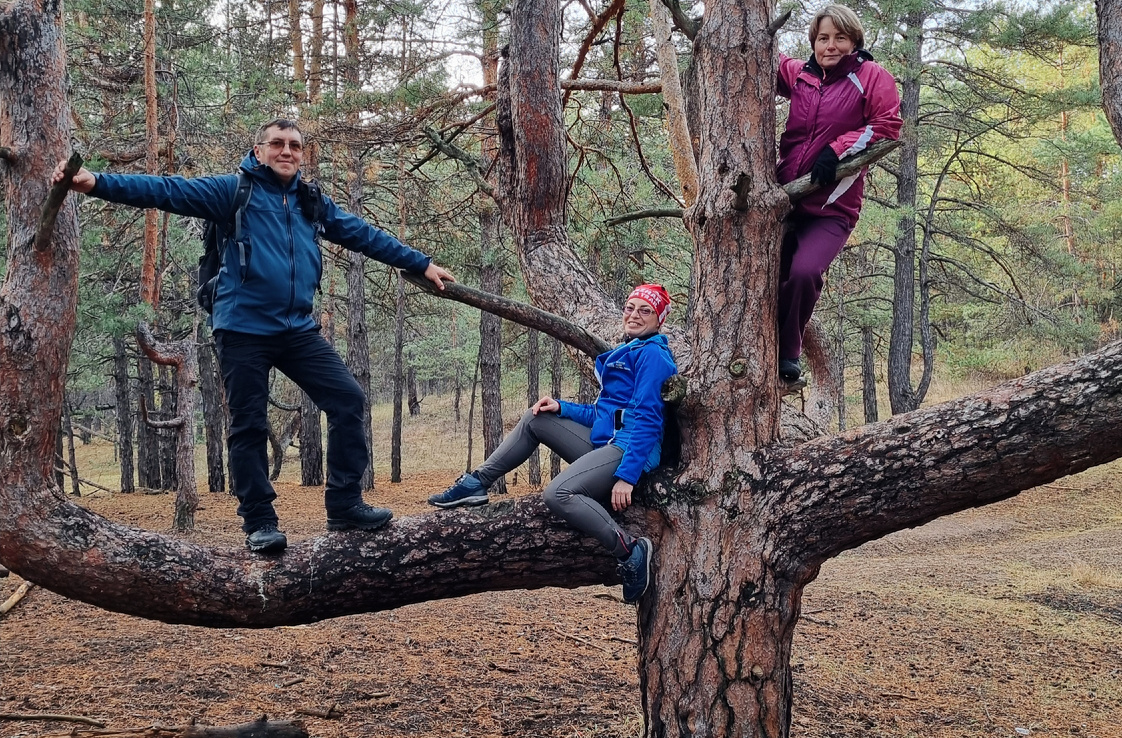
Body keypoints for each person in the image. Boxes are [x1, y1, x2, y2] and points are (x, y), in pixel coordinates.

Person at [54, 118, 456, 554]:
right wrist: (94, 182)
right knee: (248, 423)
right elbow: (165, 190)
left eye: (295, 146)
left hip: (297, 330)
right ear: (259, 149)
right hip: (243, 328)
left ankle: (344, 506)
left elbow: (364, 234)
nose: (287, 151)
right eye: (278, 144)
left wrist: (420, 262)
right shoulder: (233, 191)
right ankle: (260, 522)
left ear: (303, 154)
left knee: (347, 400)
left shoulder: (310, 201)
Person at [427, 284, 678, 603]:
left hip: (630, 450)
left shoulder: (653, 355)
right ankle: (477, 483)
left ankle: (629, 551)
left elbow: (646, 418)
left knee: (558, 493)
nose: (634, 315)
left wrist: (627, 477)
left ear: (659, 320)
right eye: (630, 307)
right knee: (537, 419)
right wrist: (563, 407)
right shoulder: (627, 351)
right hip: (609, 442)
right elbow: (603, 414)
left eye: (646, 311)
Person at [776, 4, 902, 383]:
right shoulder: (801, 76)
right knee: (766, 275)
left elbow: (888, 126)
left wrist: (837, 148)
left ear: (854, 40)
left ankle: (787, 352)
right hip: (784, 198)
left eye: (840, 38)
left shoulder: (870, 76)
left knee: (804, 272)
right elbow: (767, 58)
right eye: (823, 38)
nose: (830, 46)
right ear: (813, 42)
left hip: (833, 206)